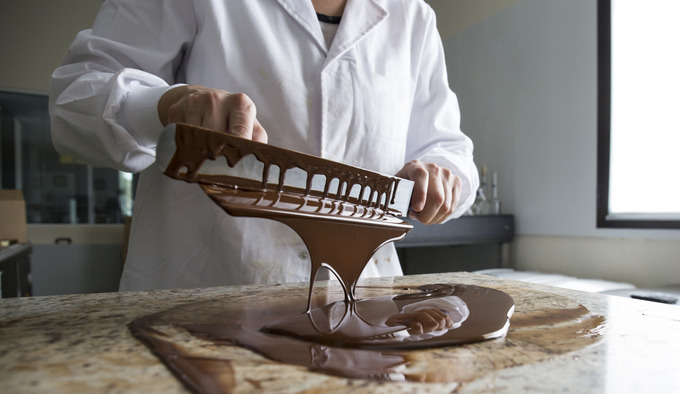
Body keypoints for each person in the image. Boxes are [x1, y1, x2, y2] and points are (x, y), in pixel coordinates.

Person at [50, 0, 479, 292]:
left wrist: (443, 175)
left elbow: (449, 148)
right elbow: (74, 99)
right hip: (203, 297)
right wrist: (164, 104)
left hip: (363, 304)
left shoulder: (412, 16)